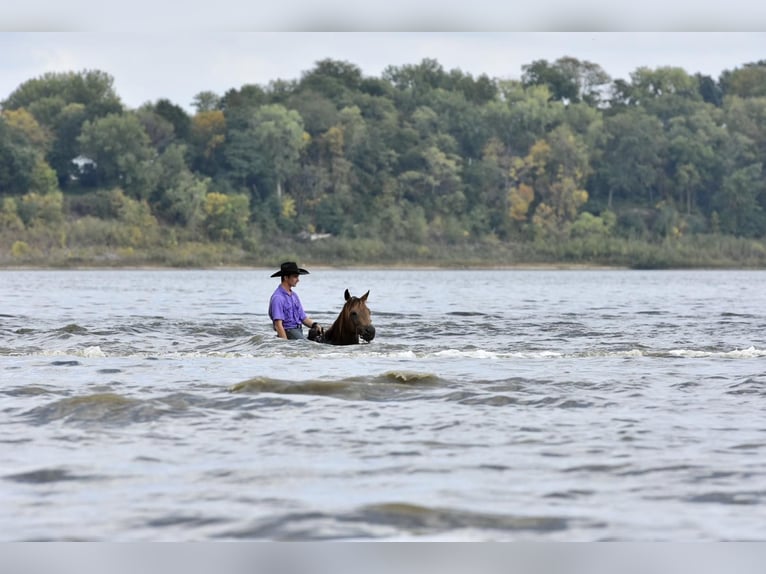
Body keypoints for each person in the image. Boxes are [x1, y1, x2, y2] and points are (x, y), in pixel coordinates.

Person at [268, 261, 323, 340]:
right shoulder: (278, 298)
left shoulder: (294, 296)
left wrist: (315, 325)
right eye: (295, 276)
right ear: (286, 278)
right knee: (308, 347)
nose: (298, 280)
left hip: (298, 331)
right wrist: (285, 344)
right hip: (289, 331)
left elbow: (303, 318)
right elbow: (278, 325)